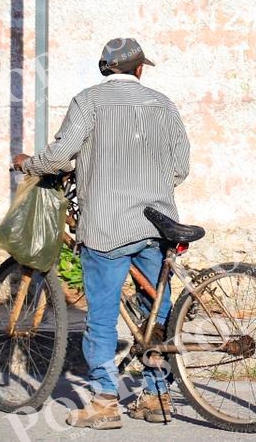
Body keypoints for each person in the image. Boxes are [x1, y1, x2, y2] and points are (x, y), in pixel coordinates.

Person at [12, 38, 190, 428]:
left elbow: (60, 156)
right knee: (156, 311)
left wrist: (30, 164)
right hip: (157, 223)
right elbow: (180, 168)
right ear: (140, 69)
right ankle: (158, 396)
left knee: (102, 316)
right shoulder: (164, 104)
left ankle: (105, 401)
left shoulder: (88, 101)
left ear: (105, 68)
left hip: (108, 225)